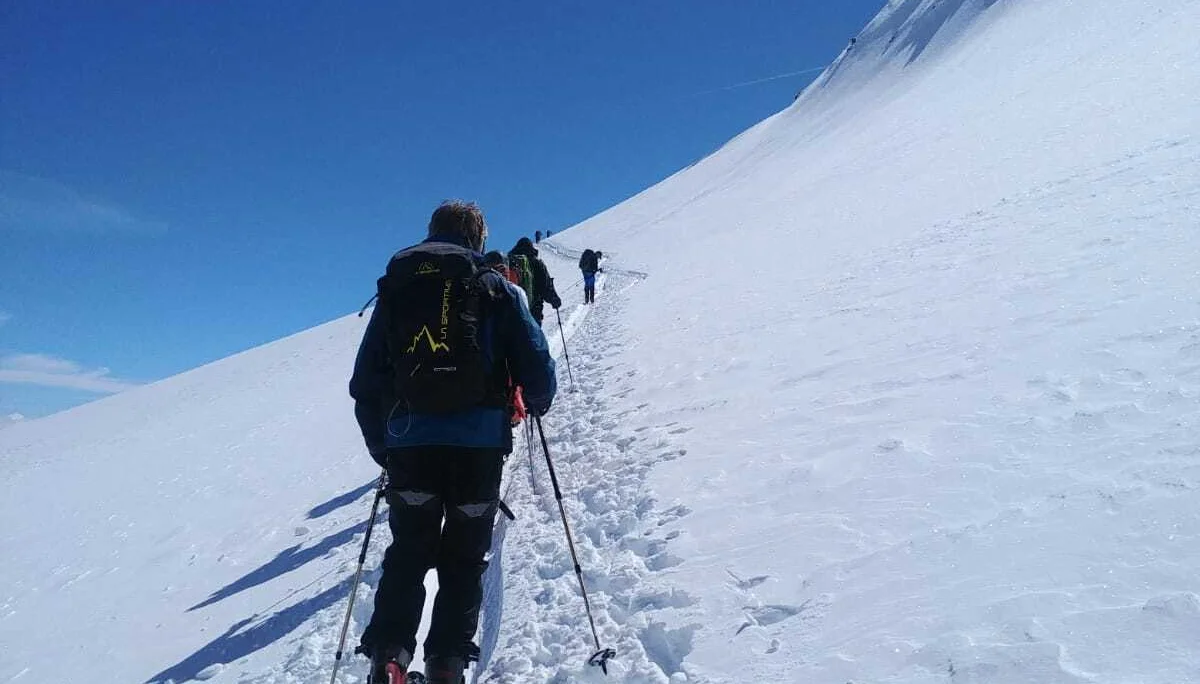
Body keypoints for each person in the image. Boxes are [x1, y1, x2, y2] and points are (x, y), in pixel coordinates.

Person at [350, 201, 557, 684]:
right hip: (478, 450)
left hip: (409, 447)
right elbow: (537, 365)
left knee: (408, 552)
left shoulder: (398, 293)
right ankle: (446, 667)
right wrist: (539, 402)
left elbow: (365, 382)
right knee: (463, 560)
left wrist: (384, 447)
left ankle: (390, 658)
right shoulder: (496, 289)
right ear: (478, 239)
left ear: (431, 232)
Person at [508, 236, 561, 326]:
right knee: (533, 338)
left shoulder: (510, 263)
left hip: (513, 312)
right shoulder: (537, 263)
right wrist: (554, 300)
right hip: (534, 310)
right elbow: (545, 286)